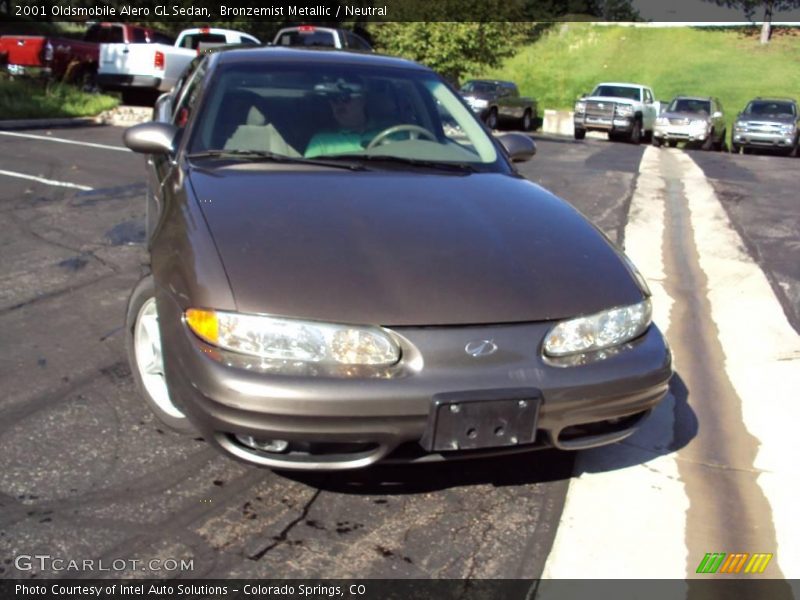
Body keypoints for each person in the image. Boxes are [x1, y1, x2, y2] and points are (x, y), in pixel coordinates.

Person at [304, 78, 393, 158]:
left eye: (345, 98)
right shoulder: (321, 141)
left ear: (362, 100)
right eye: (333, 99)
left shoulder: (394, 132)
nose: (339, 105)